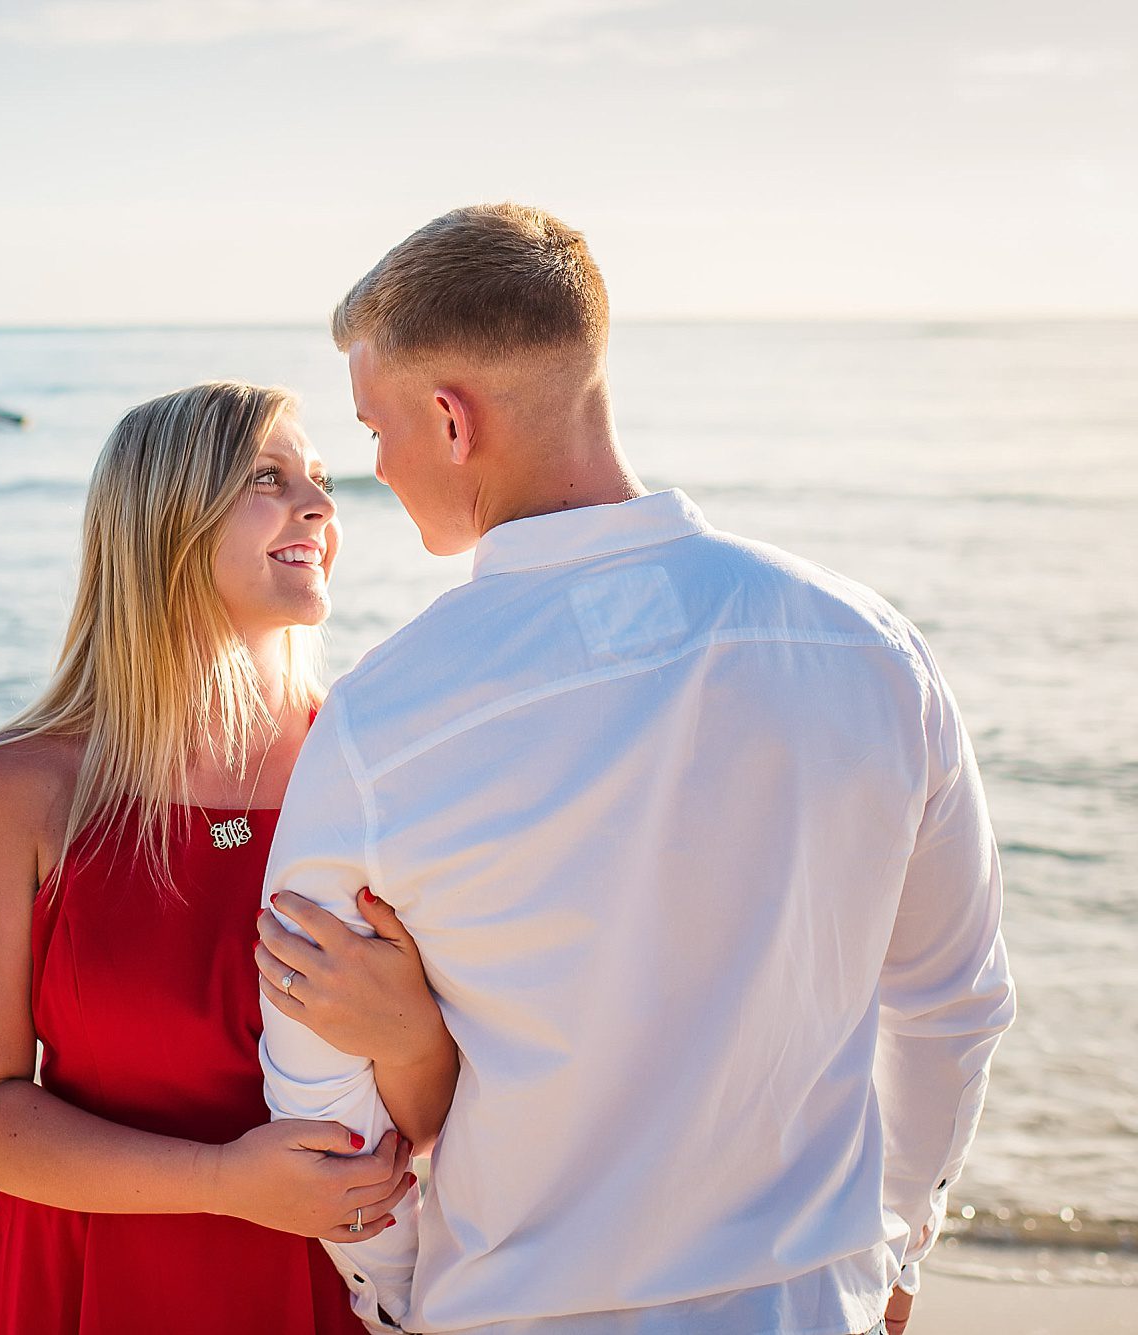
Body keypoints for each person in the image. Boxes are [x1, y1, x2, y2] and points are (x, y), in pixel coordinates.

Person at [257, 204, 1016, 1335]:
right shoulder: (868, 647)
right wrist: (896, 1246)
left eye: (374, 429)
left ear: (449, 421)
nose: (372, 468)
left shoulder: (384, 719)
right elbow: (952, 1007)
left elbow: (320, 1091)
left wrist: (399, 1294)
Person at [0, 381, 461, 1334]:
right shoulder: (20, 789)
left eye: (322, 480)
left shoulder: (374, 771)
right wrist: (222, 1182)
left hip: (326, 1287)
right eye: (269, 476)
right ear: (166, 520)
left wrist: (413, 1035)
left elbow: (446, 1118)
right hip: (85, 1284)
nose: (323, 507)